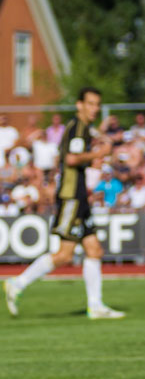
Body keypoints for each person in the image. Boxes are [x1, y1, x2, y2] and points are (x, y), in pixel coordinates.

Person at [4, 87, 124, 319]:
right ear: (79, 105)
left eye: (97, 104)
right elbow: (71, 158)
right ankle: (18, 283)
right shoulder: (77, 128)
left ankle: (96, 306)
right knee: (65, 255)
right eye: (90, 104)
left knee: (94, 249)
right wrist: (101, 153)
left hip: (80, 196)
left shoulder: (82, 128)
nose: (94, 109)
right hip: (71, 197)